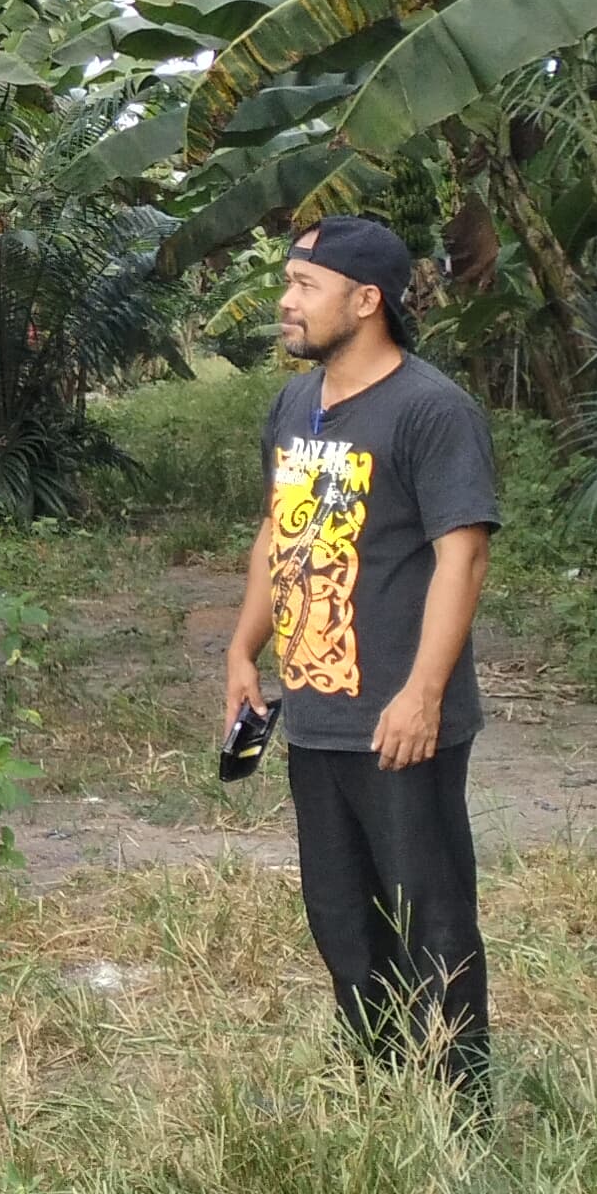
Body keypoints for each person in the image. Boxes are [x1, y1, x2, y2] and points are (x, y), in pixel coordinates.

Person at [225, 212, 501, 1090]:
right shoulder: (295, 406)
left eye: (304, 286)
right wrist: (243, 653)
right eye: (289, 283)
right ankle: (378, 1092)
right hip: (315, 714)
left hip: (400, 721)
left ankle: (462, 1109)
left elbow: (464, 555)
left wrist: (423, 693)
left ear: (367, 299)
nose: (285, 301)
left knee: (435, 923)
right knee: (342, 922)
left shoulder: (431, 410)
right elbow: (279, 532)